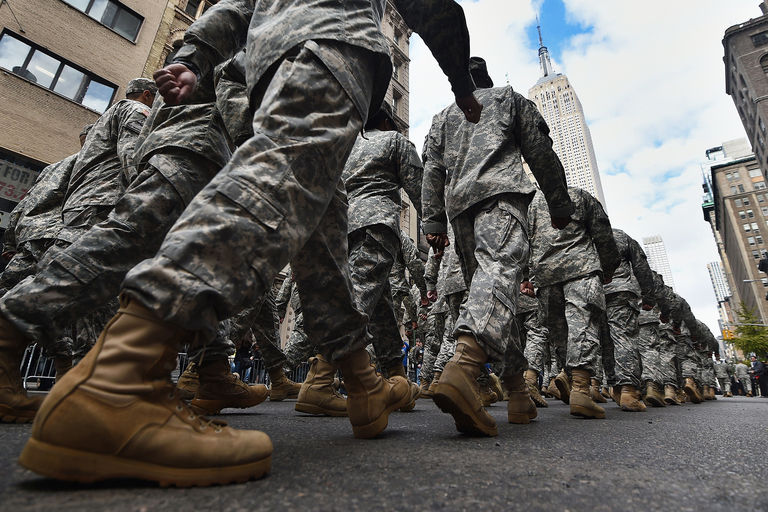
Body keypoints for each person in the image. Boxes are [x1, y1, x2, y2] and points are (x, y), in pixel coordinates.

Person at [6, 0, 482, 486]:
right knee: (276, 184)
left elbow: (237, 6)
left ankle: (362, 383)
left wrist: (194, 58)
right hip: (334, 46)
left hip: (270, 62)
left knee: (322, 234)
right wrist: (462, 86)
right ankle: (119, 380)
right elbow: (435, 8)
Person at [422, 56, 573, 435]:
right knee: (498, 280)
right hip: (500, 198)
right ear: (486, 79)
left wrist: (434, 221)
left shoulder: (442, 117)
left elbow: (431, 170)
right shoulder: (508, 98)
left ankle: (518, 393)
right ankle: (463, 367)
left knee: (492, 294)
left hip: (460, 213)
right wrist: (559, 202)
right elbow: (539, 150)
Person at [524, 187, 619, 419]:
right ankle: (580, 390)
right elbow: (602, 233)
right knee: (582, 326)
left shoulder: (530, 203)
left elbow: (522, 240)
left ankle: (564, 377)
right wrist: (608, 267)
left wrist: (526, 277)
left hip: (545, 275)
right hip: (581, 268)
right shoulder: (580, 195)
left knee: (559, 333)